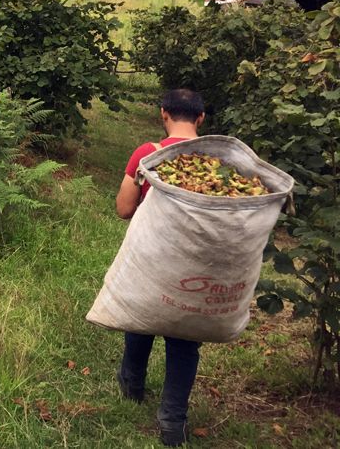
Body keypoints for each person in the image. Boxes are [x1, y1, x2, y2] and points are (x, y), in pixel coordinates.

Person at [114, 88, 205, 447]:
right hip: (199, 267)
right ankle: (172, 422)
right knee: (184, 343)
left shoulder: (148, 155)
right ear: (201, 118)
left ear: (163, 114)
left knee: (142, 318)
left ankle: (132, 385)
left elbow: (123, 208)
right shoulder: (219, 158)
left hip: (154, 258)